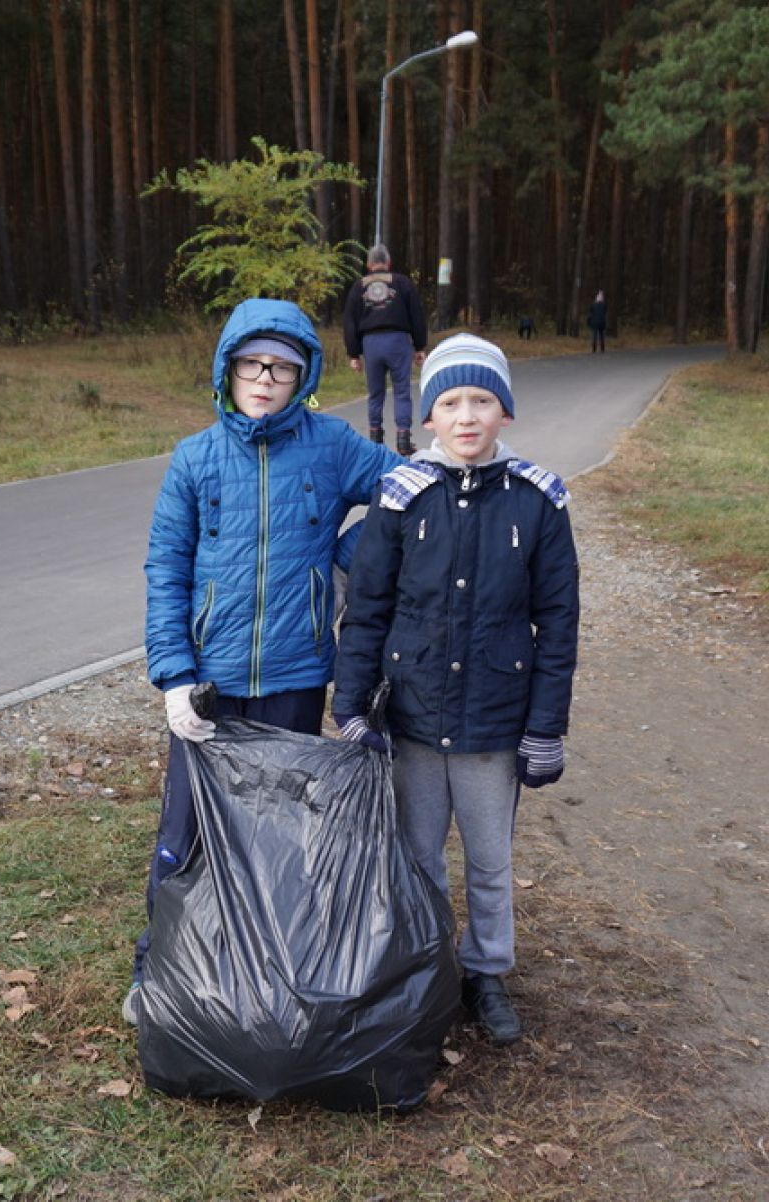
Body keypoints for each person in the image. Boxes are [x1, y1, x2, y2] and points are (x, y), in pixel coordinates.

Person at [131, 297, 403, 1024]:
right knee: (186, 832)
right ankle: (158, 969)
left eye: (281, 367)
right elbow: (167, 567)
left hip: (294, 674)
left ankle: (264, 976)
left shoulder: (332, 445)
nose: (264, 377)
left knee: (277, 837)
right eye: (252, 363)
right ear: (228, 368)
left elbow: (406, 491)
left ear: (302, 375)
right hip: (210, 685)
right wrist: (175, 677)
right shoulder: (193, 459)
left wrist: (341, 565)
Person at [331, 333, 580, 1047]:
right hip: (412, 714)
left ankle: (486, 971)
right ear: (429, 416)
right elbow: (368, 608)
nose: (466, 416)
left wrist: (544, 727)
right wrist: (350, 704)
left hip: (494, 723)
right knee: (416, 853)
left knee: (490, 859)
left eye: (482, 400)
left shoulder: (537, 503)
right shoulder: (402, 497)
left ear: (505, 412)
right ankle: (427, 964)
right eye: (450, 401)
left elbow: (558, 622)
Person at [343, 244, 429, 456]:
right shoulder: (402, 282)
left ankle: (375, 440)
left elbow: (349, 322)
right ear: (388, 263)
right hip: (398, 341)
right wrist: (419, 346)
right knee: (401, 391)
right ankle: (403, 439)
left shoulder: (358, 286)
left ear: (369, 264)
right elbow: (416, 315)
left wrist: (354, 353)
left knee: (375, 394)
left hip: (370, 343)